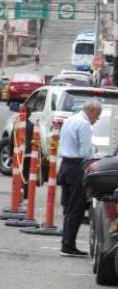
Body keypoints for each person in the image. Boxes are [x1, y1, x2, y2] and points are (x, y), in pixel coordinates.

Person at [58, 100, 102, 257]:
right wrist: (97, 157)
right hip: (77, 168)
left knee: (68, 208)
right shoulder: (84, 124)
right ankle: (69, 246)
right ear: (91, 111)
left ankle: (66, 243)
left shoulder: (71, 119)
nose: (96, 120)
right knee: (76, 209)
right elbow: (85, 152)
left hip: (65, 166)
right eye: (97, 116)